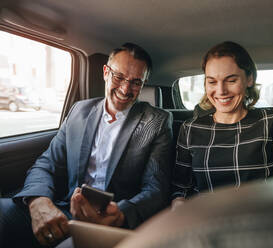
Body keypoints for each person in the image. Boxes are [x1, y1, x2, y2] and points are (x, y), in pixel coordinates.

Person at [0, 43, 173, 247]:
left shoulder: (157, 121)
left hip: (114, 220)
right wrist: (39, 201)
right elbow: (47, 163)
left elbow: (156, 188)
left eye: (136, 82)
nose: (126, 89)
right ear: (105, 72)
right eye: (119, 77)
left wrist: (120, 215)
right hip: (66, 209)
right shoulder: (79, 111)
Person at [171, 41, 273, 209]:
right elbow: (181, 188)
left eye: (231, 80)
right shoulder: (190, 128)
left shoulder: (272, 121)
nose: (221, 91)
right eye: (212, 82)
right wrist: (179, 203)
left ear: (249, 79)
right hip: (206, 222)